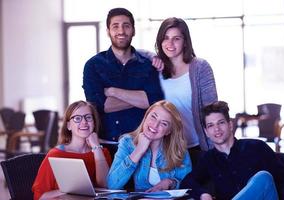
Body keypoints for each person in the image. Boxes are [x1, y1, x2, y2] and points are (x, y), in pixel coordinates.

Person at [181, 101, 284, 200]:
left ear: (230, 125)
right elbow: (187, 182)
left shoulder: (256, 147)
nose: (216, 129)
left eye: (221, 123)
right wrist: (203, 194)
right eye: (211, 125)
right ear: (206, 132)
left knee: (263, 177)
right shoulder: (208, 159)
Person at [83, 8, 163, 143]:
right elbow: (100, 106)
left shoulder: (148, 66)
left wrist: (112, 91)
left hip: (141, 142)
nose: (121, 31)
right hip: (105, 143)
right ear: (108, 31)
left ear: (133, 30)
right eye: (115, 26)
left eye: (126, 26)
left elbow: (153, 101)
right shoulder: (93, 65)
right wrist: (140, 98)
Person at [154, 17, 218, 164]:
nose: (170, 44)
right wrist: (152, 56)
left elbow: (211, 110)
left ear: (185, 42)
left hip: (197, 146)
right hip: (166, 150)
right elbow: (135, 52)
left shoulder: (200, 67)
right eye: (166, 38)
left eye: (176, 38)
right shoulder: (155, 69)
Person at [32, 100, 111, 200]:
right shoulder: (56, 155)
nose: (84, 122)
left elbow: (105, 185)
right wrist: (69, 190)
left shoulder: (102, 152)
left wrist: (96, 147)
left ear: (94, 123)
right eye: (77, 118)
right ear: (69, 125)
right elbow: (39, 196)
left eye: (88, 117)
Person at [106, 100, 192, 191]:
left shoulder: (178, 149)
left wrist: (171, 183)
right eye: (153, 117)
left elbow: (190, 184)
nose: (155, 125)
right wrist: (138, 151)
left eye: (164, 123)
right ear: (146, 116)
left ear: (168, 131)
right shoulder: (127, 143)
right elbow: (112, 185)